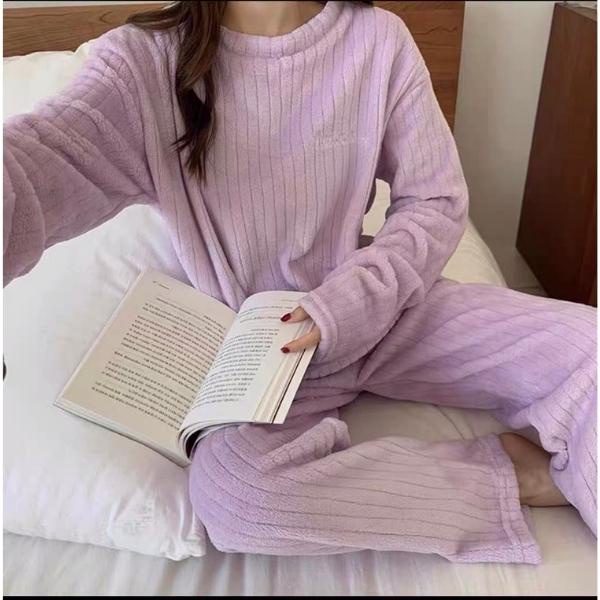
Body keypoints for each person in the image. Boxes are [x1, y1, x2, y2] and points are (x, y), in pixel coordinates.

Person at [4, 1, 596, 563]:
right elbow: (35, 168)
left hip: (378, 309)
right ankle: (510, 475)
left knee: (589, 349)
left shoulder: (379, 41)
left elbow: (435, 202)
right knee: (237, 498)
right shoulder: (143, 63)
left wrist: (351, 301)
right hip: (262, 357)